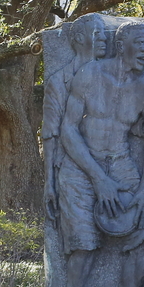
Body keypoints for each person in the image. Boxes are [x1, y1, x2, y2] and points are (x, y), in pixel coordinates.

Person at [53, 20, 144, 287]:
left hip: (119, 163)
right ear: (122, 44)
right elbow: (68, 130)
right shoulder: (89, 74)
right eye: (140, 43)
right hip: (81, 164)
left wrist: (143, 191)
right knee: (84, 246)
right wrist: (98, 179)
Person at [43, 13, 108, 221]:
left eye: (105, 34)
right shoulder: (58, 82)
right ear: (80, 38)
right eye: (98, 34)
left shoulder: (113, 77)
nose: (105, 39)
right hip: (73, 172)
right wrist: (49, 183)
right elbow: (51, 134)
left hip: (111, 166)